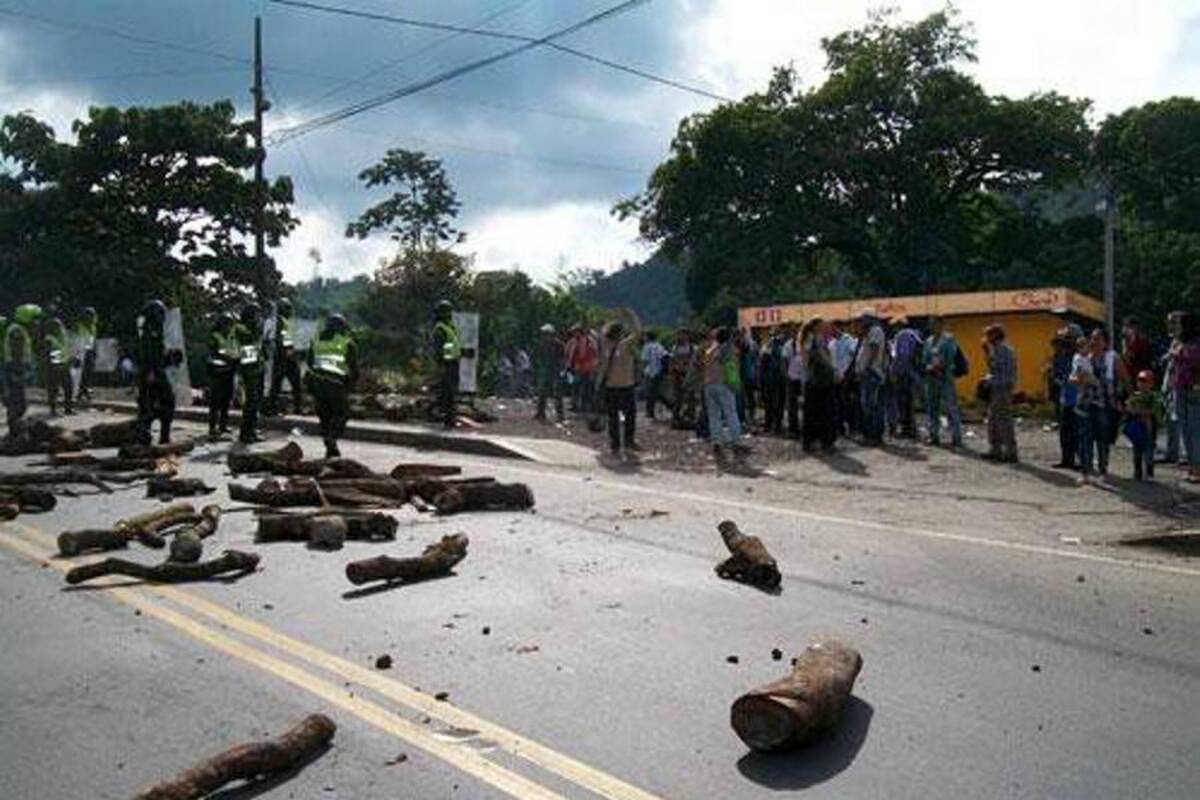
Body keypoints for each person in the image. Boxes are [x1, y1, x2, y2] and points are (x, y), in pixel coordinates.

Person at [306, 313, 359, 458]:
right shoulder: (347, 343)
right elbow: (354, 369)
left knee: (325, 416)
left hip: (317, 385)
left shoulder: (316, 342)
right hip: (336, 385)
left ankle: (330, 447)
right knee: (342, 413)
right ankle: (332, 438)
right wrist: (351, 385)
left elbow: (309, 364)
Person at [135, 300, 180, 445]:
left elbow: (159, 356)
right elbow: (148, 355)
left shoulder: (154, 331)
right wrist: (151, 372)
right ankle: (147, 433)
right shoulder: (150, 332)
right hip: (152, 374)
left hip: (155, 372)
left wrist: (171, 357)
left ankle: (155, 435)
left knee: (152, 405)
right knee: (163, 403)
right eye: (161, 313)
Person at [703, 327, 747, 465]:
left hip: (709, 385)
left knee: (714, 415)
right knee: (731, 414)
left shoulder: (709, 351)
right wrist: (736, 384)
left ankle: (716, 442)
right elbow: (734, 368)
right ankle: (736, 442)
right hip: (724, 385)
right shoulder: (730, 350)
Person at [597, 321, 639, 456]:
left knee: (612, 416)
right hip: (626, 385)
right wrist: (631, 316)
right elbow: (638, 331)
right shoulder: (626, 344)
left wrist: (598, 383)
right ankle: (628, 441)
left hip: (610, 385)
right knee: (630, 415)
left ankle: (615, 444)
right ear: (620, 333)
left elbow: (601, 332)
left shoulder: (605, 345)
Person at [1167, 311, 1200, 483]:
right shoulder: (1180, 342)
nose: (1176, 328)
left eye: (1179, 324)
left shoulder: (1195, 343)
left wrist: (1177, 353)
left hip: (1194, 389)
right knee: (1186, 429)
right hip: (1180, 387)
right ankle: (1192, 466)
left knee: (1195, 430)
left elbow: (1193, 360)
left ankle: (1197, 468)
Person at [922, 316, 963, 448]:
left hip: (945, 377)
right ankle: (933, 435)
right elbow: (925, 358)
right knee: (932, 408)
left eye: (935, 324)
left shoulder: (949, 339)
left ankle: (956, 437)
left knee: (950, 407)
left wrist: (940, 365)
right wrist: (928, 367)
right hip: (931, 378)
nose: (932, 326)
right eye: (931, 324)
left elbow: (950, 356)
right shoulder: (928, 341)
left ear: (941, 324)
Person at [1071, 334, 1107, 480]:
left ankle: (1102, 469)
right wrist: (1082, 379)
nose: (1092, 344)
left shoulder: (1107, 358)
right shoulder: (1080, 359)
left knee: (1100, 438)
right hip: (1085, 401)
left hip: (1098, 402)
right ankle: (1086, 471)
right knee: (1085, 437)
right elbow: (1075, 376)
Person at [4, 304, 41, 439]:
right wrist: (19, 373)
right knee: (18, 403)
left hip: (15, 367)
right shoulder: (18, 331)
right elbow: (17, 352)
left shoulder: (19, 330)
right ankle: (15, 432)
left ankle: (15, 431)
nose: (37, 322)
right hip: (15, 368)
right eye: (35, 319)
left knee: (18, 402)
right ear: (27, 318)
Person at [982, 323, 1018, 463]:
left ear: (995, 335)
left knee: (1003, 419)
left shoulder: (1002, 349)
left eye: (988, 335)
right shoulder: (999, 349)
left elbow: (995, 367)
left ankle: (1010, 450)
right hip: (998, 386)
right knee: (993, 419)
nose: (986, 338)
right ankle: (996, 449)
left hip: (1002, 387)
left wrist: (987, 353)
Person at [801, 318, 838, 453]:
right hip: (819, 381)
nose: (825, 327)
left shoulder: (811, 339)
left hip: (815, 381)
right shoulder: (813, 339)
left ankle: (813, 442)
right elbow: (821, 358)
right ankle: (823, 442)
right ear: (816, 327)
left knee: (814, 413)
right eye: (822, 325)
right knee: (823, 413)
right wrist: (833, 369)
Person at [234, 302, 267, 444]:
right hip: (248, 370)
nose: (259, 317)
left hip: (258, 367)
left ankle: (252, 430)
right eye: (257, 314)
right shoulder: (240, 328)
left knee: (257, 402)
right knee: (251, 403)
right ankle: (245, 433)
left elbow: (258, 345)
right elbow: (249, 339)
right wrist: (258, 326)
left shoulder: (255, 327)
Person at [854, 309, 887, 446]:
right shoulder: (867, 334)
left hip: (871, 373)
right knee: (867, 405)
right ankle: (869, 434)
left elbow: (873, 350)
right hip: (868, 373)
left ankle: (874, 436)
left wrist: (866, 367)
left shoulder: (875, 331)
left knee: (871, 406)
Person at [1051, 325, 1082, 469]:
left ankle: (1080, 459)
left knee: (1078, 431)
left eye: (1070, 339)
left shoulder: (1081, 356)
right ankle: (1066, 459)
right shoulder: (1059, 356)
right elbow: (1056, 375)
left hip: (1079, 398)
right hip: (1065, 397)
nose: (1066, 342)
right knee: (1065, 431)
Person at [267, 298, 304, 415]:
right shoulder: (280, 321)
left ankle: (295, 408)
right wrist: (291, 354)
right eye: (288, 309)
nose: (290, 311)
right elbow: (281, 340)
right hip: (284, 357)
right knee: (291, 383)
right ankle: (273, 408)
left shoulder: (285, 322)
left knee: (281, 384)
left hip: (284, 357)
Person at [206, 312, 239, 440]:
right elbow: (216, 352)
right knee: (215, 401)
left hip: (229, 371)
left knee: (226, 399)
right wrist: (230, 358)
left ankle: (223, 425)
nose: (230, 327)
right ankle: (212, 427)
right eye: (228, 325)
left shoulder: (231, 338)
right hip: (217, 371)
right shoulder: (215, 336)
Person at [888, 317, 922, 439]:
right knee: (909, 403)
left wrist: (895, 372)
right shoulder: (914, 335)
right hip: (913, 374)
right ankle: (911, 429)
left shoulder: (902, 336)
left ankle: (907, 430)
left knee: (904, 403)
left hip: (905, 374)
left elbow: (902, 356)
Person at [1124, 370, 1160, 481]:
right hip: (1137, 430)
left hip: (1149, 429)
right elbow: (1128, 408)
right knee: (1137, 453)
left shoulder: (1154, 397)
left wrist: (1139, 411)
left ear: (1151, 383)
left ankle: (1149, 473)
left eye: (1145, 381)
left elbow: (1154, 411)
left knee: (1149, 453)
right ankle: (1137, 473)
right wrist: (1138, 411)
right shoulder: (1134, 396)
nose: (1142, 384)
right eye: (1140, 381)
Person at [431, 300, 463, 429]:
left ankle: (449, 418)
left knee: (451, 392)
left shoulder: (449, 326)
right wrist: (443, 364)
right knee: (448, 393)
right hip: (447, 363)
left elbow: (452, 345)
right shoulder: (440, 328)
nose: (450, 314)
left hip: (453, 362)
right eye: (447, 311)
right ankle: (448, 420)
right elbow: (440, 349)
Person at [1162, 311, 1186, 466]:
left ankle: (1188, 456)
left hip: (1182, 385)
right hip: (1171, 384)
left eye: (1173, 322)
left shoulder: (1187, 341)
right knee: (1171, 420)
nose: (1169, 325)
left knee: (1182, 420)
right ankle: (1172, 453)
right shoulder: (1175, 341)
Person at [40, 313, 73, 415]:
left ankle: (68, 409)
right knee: (53, 390)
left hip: (64, 366)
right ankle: (53, 410)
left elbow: (65, 351)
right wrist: (57, 364)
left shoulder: (63, 338)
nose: (60, 328)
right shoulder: (49, 339)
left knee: (69, 388)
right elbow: (48, 354)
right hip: (53, 368)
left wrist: (70, 360)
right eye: (57, 326)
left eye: (60, 325)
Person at [832, 321, 859, 437]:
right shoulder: (832, 343)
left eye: (834, 328)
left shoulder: (848, 340)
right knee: (838, 404)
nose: (832, 331)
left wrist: (848, 374)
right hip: (835, 377)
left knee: (847, 404)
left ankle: (852, 427)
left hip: (846, 377)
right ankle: (840, 428)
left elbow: (854, 357)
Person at [535, 324, 566, 423]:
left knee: (557, 394)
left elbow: (562, 359)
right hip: (545, 370)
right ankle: (540, 413)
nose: (544, 336)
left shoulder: (559, 345)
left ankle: (560, 415)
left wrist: (561, 370)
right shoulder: (542, 344)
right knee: (542, 393)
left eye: (546, 334)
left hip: (556, 371)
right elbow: (540, 357)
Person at [760, 328, 788, 436]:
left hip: (771, 380)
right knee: (777, 403)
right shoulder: (782, 347)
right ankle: (776, 425)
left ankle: (770, 425)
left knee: (771, 403)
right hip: (778, 379)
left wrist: (761, 381)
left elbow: (762, 367)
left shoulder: (766, 348)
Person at [565, 325, 598, 413]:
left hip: (584, 367)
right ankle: (580, 405)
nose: (573, 334)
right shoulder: (576, 341)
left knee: (582, 387)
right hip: (582, 367)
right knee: (581, 387)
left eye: (575, 332)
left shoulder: (585, 340)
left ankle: (581, 406)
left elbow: (583, 355)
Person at [669, 329, 698, 428]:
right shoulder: (675, 347)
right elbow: (672, 362)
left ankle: (690, 417)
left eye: (684, 334)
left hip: (688, 374)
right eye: (680, 334)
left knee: (691, 397)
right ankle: (676, 418)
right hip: (677, 374)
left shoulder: (693, 348)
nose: (682, 337)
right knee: (678, 398)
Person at [781, 324, 805, 439]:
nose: (796, 334)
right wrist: (786, 375)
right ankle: (793, 429)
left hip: (803, 378)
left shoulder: (805, 344)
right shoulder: (788, 345)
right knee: (792, 405)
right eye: (794, 332)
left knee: (805, 404)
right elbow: (784, 361)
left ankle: (805, 427)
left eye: (798, 331)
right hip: (792, 378)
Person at [640, 330, 669, 421]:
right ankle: (670, 405)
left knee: (650, 392)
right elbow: (666, 356)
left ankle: (650, 412)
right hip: (659, 371)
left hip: (651, 372)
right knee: (655, 392)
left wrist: (641, 373)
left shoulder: (647, 346)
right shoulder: (659, 346)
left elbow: (644, 361)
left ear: (647, 337)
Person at [74, 306, 98, 403]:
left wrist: (94, 351)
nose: (91, 318)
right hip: (80, 352)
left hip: (89, 352)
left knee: (89, 373)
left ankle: (86, 391)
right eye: (89, 315)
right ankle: (78, 393)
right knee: (80, 374)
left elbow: (93, 340)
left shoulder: (93, 326)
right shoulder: (78, 326)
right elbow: (75, 340)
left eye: (92, 315)